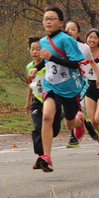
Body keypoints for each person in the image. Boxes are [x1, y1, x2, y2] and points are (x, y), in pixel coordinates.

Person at [28, 6, 85, 172]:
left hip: (70, 88)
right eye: (46, 18)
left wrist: (51, 57)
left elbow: (76, 63)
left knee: (69, 123)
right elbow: (46, 61)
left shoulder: (67, 40)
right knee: (47, 116)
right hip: (51, 86)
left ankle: (79, 121)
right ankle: (46, 155)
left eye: (52, 18)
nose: (48, 21)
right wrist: (37, 69)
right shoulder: (43, 41)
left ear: (60, 22)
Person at [25, 37, 63, 169]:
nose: (35, 52)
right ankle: (42, 157)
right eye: (32, 49)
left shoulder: (50, 64)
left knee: (55, 130)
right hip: (37, 101)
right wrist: (28, 102)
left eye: (38, 49)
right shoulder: (29, 67)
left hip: (52, 100)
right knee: (38, 127)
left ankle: (43, 156)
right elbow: (31, 85)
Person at [63, 21, 99, 148]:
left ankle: (73, 138)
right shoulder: (60, 46)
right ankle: (89, 127)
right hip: (64, 82)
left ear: (78, 33)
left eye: (73, 29)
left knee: (74, 107)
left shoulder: (83, 48)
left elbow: (92, 62)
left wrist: (98, 77)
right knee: (73, 109)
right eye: (67, 29)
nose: (69, 31)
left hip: (80, 82)